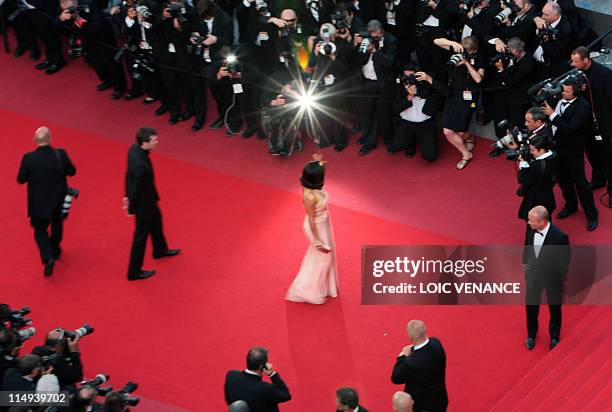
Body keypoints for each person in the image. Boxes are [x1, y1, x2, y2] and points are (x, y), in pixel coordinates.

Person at [17, 127, 76, 277]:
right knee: (57, 224)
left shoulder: (28, 158)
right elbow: (72, 171)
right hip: (58, 199)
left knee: (39, 230)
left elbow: (21, 179)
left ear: (35, 140)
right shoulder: (60, 155)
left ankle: (47, 256)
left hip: (38, 201)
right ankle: (55, 250)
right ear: (50, 138)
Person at [124, 127, 180, 280]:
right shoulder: (140, 166)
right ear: (144, 143)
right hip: (143, 204)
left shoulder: (133, 149)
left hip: (149, 198)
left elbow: (128, 174)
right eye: (154, 141)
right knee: (140, 236)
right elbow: (135, 186)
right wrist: (131, 205)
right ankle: (133, 271)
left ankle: (159, 250)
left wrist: (126, 195)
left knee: (157, 222)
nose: (157, 142)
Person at [542, 81, 598, 231]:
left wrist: (552, 114)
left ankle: (591, 215)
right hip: (557, 148)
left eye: (567, 91)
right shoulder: (560, 100)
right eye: (563, 90)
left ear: (576, 92)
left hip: (573, 152)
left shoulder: (583, 107)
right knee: (563, 181)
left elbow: (570, 128)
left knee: (581, 185)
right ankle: (570, 205)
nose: (563, 93)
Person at [286, 155, 338, 304]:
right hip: (315, 226)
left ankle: (325, 286)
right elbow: (311, 219)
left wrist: (318, 162)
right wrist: (318, 241)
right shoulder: (309, 195)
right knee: (323, 258)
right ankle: (306, 290)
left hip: (324, 222)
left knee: (325, 257)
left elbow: (319, 165)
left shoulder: (313, 186)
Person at [522, 205, 570, 350]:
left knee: (554, 307)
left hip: (552, 278)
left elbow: (565, 259)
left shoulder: (559, 237)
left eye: (531, 221)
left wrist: (558, 278)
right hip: (533, 275)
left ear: (542, 222)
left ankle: (554, 336)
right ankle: (531, 334)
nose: (528, 223)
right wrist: (525, 262)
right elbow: (527, 245)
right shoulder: (531, 229)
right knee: (531, 306)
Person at [435, 35, 485, 170]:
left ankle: (469, 137)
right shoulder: (456, 49)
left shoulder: (479, 58)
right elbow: (436, 41)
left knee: (461, 133)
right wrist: (452, 43)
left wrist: (467, 63)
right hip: (453, 94)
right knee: (447, 131)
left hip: (469, 96)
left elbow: (478, 79)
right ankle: (466, 154)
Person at [570, 46, 612, 205]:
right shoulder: (576, 75)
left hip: (604, 123)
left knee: (608, 157)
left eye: (575, 61)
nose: (573, 64)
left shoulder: (604, 74)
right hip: (586, 123)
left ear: (586, 60)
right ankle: (598, 178)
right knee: (592, 153)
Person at [391, 320, 448, 412]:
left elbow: (395, 378)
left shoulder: (411, 363)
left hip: (421, 406)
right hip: (439, 400)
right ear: (425, 330)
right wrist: (413, 349)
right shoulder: (436, 343)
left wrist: (402, 357)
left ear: (410, 336)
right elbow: (424, 349)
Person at [224, 347, 291, 412]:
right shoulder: (267, 389)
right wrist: (272, 374)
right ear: (261, 366)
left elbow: (230, 401)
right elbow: (286, 395)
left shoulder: (231, 376)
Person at [516, 134, 558, 221]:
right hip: (548, 195)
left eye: (532, 150)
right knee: (546, 219)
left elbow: (524, 180)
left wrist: (523, 164)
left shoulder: (537, 165)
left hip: (535, 198)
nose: (530, 152)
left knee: (534, 222)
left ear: (542, 150)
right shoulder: (554, 156)